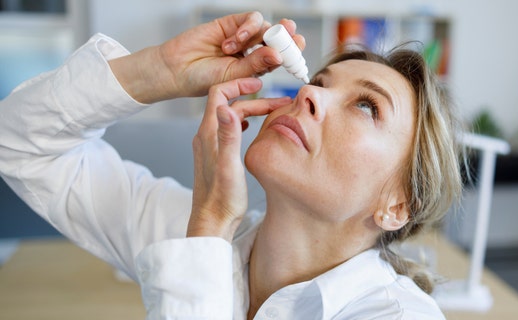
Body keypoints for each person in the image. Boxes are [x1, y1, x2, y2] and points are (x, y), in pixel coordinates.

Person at [0, 10, 462, 320]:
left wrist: (211, 223)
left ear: (397, 206)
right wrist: (161, 71)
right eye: (319, 81)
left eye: (366, 107)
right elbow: (20, 143)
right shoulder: (198, 231)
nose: (310, 94)